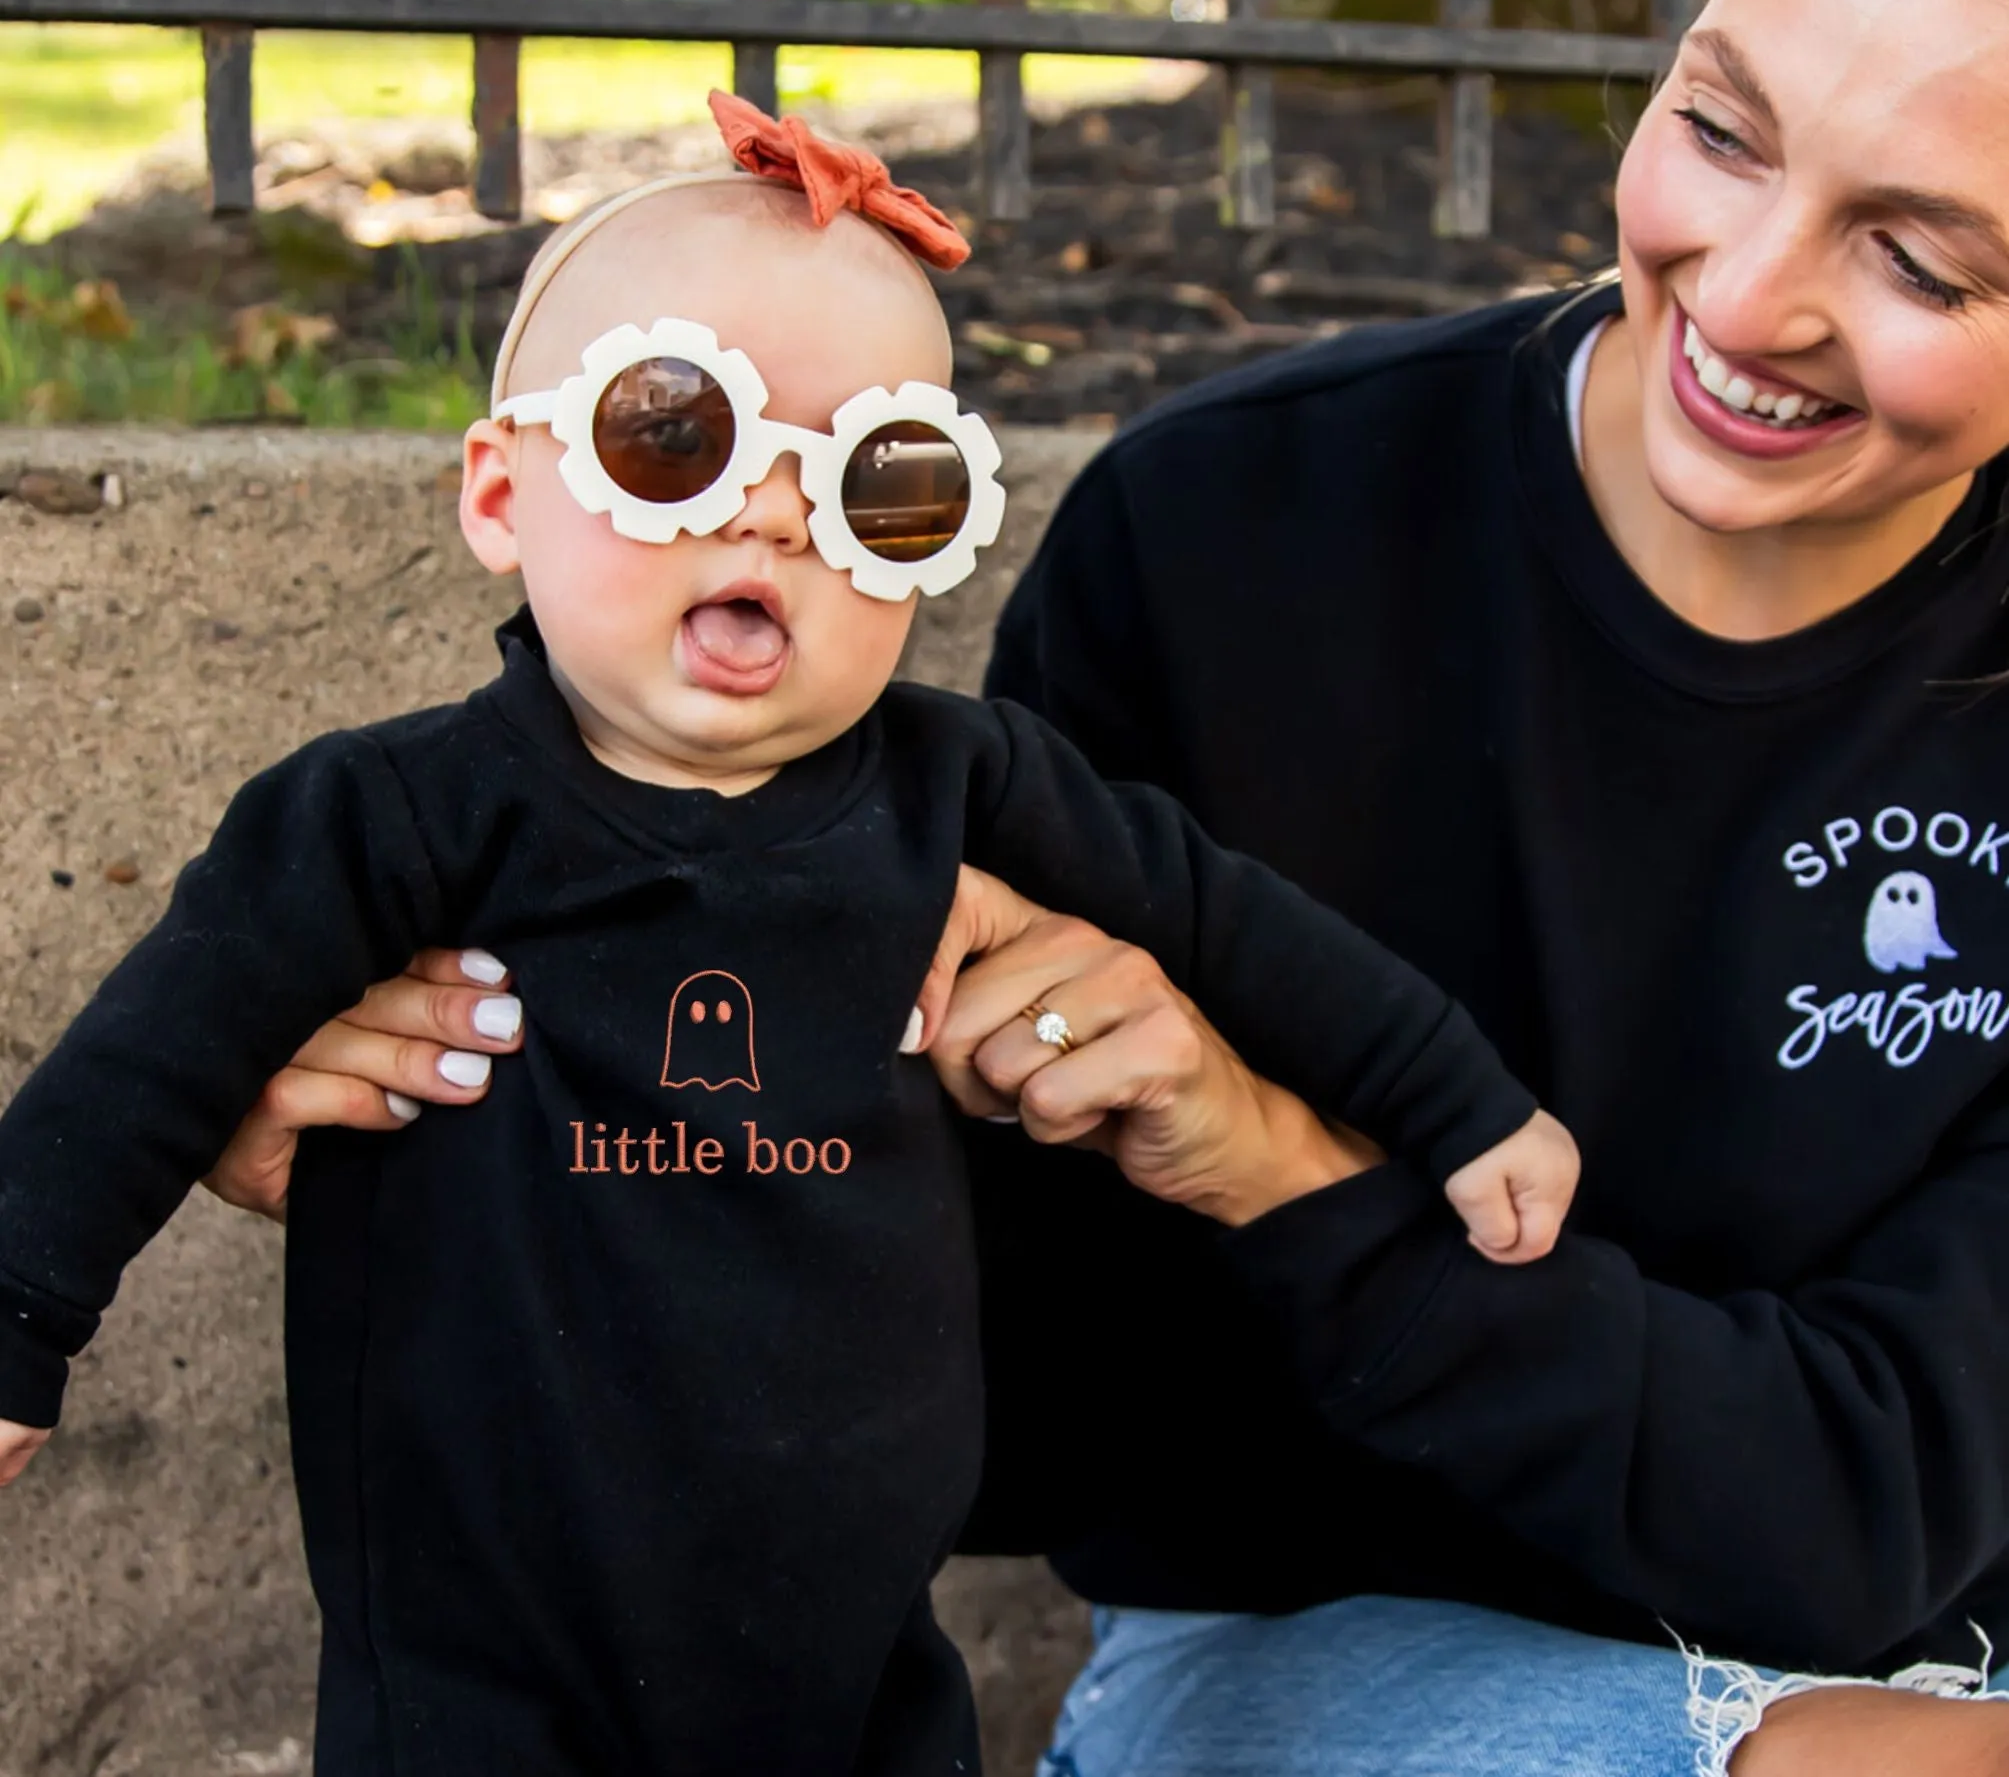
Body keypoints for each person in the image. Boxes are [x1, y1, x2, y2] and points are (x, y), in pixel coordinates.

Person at [181, 0, 2009, 1771]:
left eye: (1920, 261)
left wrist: (1278, 1152)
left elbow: (1858, 1506)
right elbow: (1002, 1416)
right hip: (1317, 1647)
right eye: (1715, 131)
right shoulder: (1227, 538)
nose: (1746, 296)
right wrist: (506, 1146)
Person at [0, 97, 1574, 1776]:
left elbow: (1234, 927)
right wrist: (21, 1319)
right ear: (498, 493)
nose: (769, 516)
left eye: (877, 479)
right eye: (672, 437)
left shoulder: (965, 787)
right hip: (489, 1618)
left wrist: (1456, 1098)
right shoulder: (394, 819)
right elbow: (153, 1056)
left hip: (853, 1629)